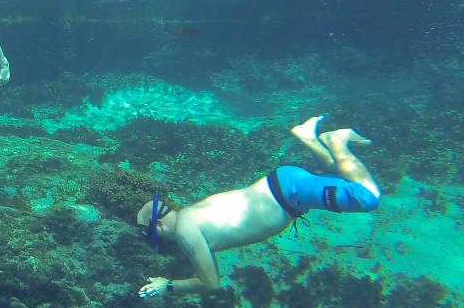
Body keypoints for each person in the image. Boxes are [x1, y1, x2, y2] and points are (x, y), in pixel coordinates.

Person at [137, 116, 382, 298]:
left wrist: (166, 285)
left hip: (289, 193)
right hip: (285, 187)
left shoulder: (186, 233)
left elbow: (210, 283)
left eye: (153, 236)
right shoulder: (191, 212)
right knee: (340, 175)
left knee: (367, 197)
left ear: (157, 226)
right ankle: (308, 137)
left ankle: (336, 140)